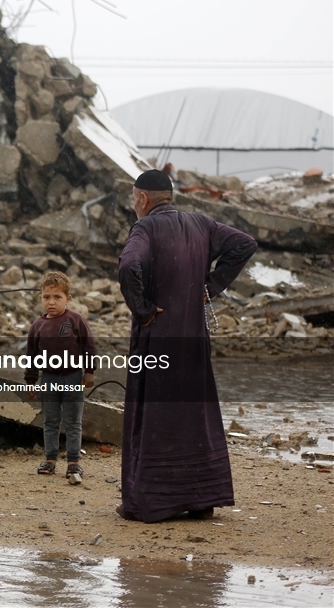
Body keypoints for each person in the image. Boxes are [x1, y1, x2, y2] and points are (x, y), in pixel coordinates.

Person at [117, 169, 256, 522]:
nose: (135, 205)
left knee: (154, 414)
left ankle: (149, 501)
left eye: (134, 199)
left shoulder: (145, 228)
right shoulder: (202, 223)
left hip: (157, 337)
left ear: (143, 199)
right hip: (192, 339)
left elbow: (129, 265)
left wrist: (144, 309)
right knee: (194, 414)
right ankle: (200, 499)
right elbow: (244, 244)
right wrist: (207, 286)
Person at [24, 271, 96, 485]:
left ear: (68, 299)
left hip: (73, 377)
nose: (51, 302)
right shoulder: (38, 326)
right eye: (47, 297)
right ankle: (50, 459)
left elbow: (88, 347)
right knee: (51, 421)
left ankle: (73, 461)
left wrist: (89, 371)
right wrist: (30, 381)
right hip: (48, 378)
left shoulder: (76, 320)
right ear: (40, 298)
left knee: (73, 421)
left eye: (57, 297)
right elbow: (32, 356)